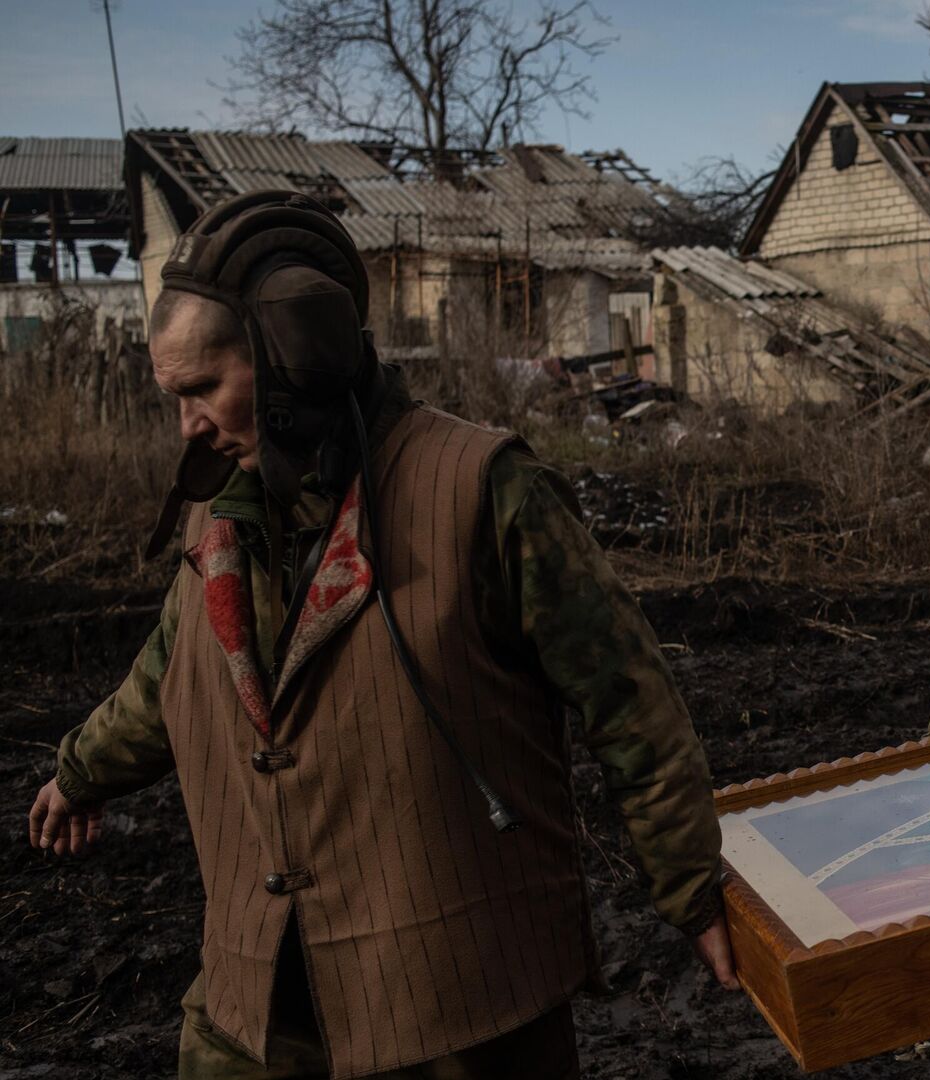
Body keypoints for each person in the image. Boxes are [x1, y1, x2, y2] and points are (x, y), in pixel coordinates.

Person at [24, 190, 736, 1079]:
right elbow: (168, 673)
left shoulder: (482, 489)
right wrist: (80, 771)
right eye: (174, 396)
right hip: (256, 1016)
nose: (189, 426)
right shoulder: (221, 516)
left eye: (204, 388)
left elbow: (630, 700)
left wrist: (692, 890)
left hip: (457, 1011)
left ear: (299, 357)